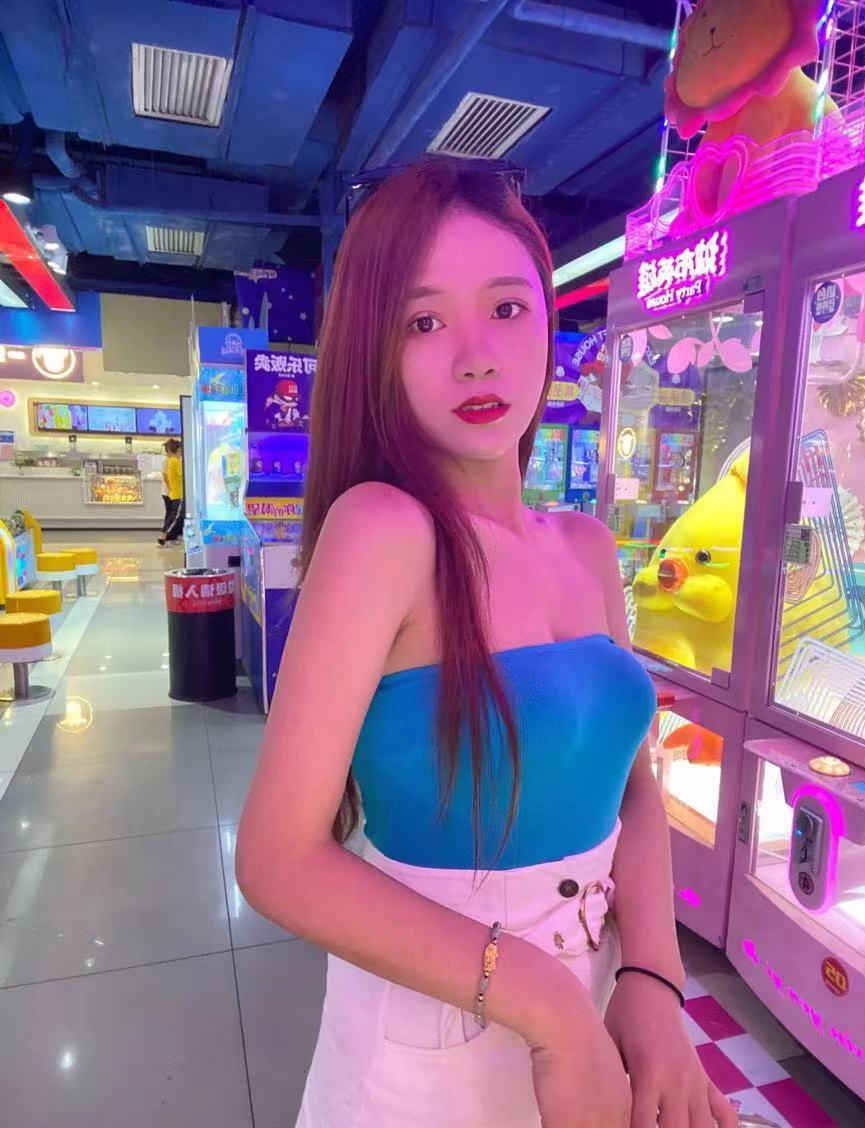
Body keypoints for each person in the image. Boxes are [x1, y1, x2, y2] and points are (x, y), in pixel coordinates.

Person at [235, 158, 737, 1128]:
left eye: (506, 309)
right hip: (433, 1056)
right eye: (422, 323)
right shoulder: (383, 531)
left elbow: (633, 785)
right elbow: (276, 858)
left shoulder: (585, 546)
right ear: (376, 350)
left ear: (548, 321)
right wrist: (550, 1008)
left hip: (595, 1016)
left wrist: (653, 980)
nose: (474, 356)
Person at [158, 438, 184, 545]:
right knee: (175, 516)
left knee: (176, 515)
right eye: (180, 451)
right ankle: (163, 535)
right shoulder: (175, 461)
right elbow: (184, 475)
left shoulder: (170, 461)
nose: (181, 453)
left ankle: (170, 535)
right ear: (178, 450)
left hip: (174, 492)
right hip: (178, 493)